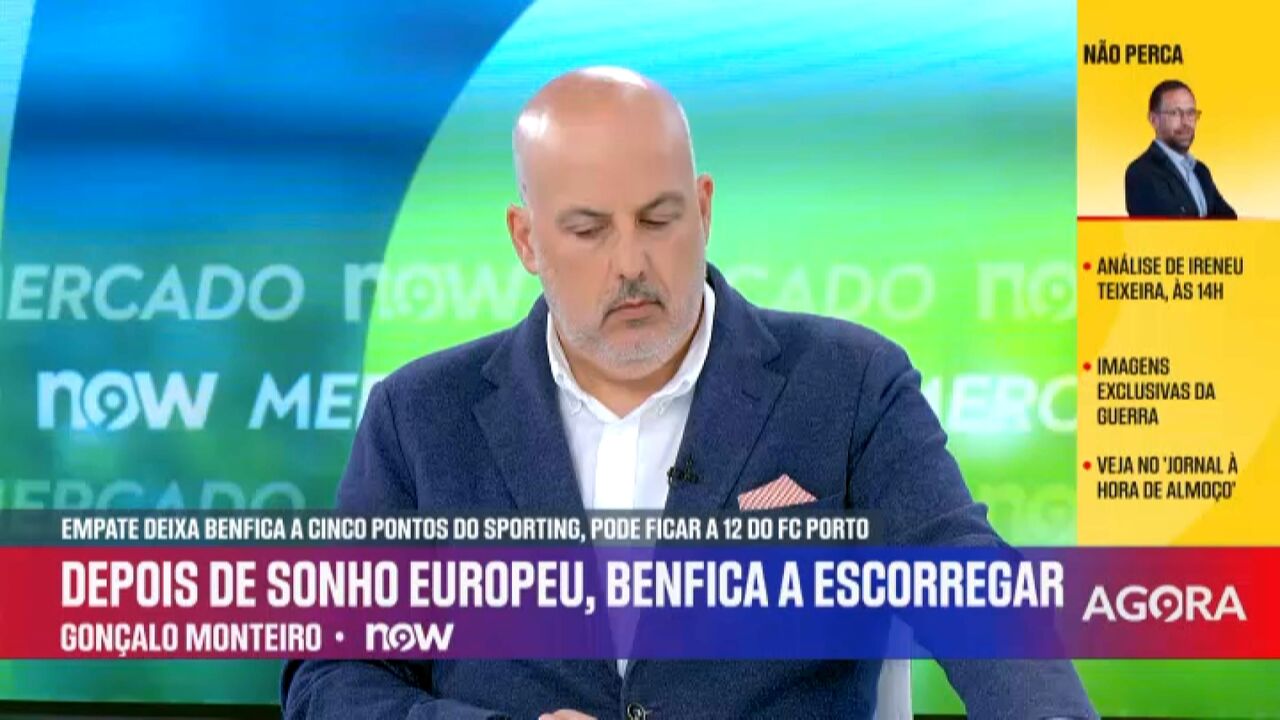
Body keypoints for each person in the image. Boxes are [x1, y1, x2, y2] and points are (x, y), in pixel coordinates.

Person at [282, 67, 1096, 719]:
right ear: (526, 239)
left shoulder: (850, 385)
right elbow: (330, 676)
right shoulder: (420, 417)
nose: (631, 264)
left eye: (658, 220)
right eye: (589, 229)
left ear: (703, 209)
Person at [1125, 79, 1236, 218]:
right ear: (1153, 120)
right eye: (1175, 113)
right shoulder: (1141, 172)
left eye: (1191, 113)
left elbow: (1229, 218)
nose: (1185, 122)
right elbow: (1171, 227)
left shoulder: (1200, 171)